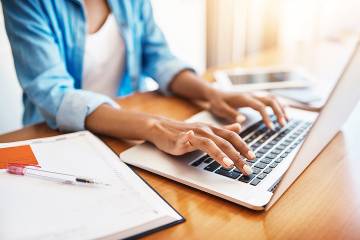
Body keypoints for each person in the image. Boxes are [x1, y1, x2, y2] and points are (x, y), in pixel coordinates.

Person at [1, 0, 287, 176]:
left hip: (125, 130)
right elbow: (53, 91)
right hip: (56, 136)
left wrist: (211, 94)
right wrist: (154, 127)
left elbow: (158, 55)